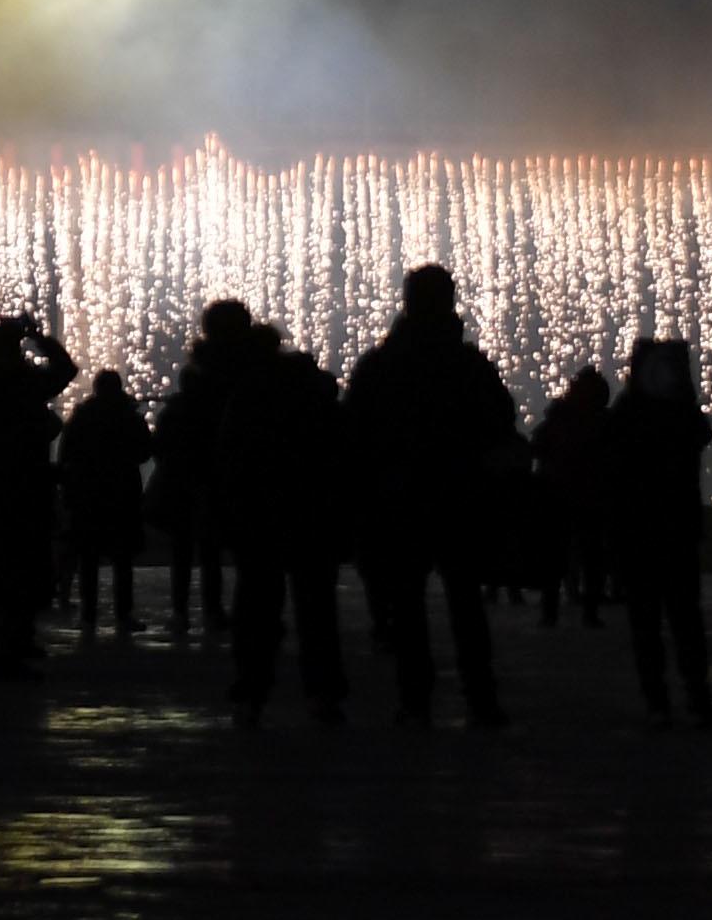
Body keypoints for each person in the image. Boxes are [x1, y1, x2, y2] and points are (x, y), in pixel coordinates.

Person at [343, 266, 521, 726]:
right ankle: (480, 697)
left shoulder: (381, 366)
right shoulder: (467, 365)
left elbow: (354, 432)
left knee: (407, 605)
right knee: (465, 602)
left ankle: (415, 698)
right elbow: (500, 420)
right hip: (460, 495)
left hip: (401, 498)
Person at [220, 326, 350, 724]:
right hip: (312, 512)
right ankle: (322, 693)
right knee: (316, 609)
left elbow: (230, 456)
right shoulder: (312, 394)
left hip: (261, 514)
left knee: (257, 606)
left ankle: (252, 691)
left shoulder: (245, 396)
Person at [0, 315, 78, 681]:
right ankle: (5, 654)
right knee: (17, 575)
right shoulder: (20, 385)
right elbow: (65, 370)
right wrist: (40, 340)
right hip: (20, 491)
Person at [605, 336, 712, 726]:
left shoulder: (628, 413)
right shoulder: (682, 414)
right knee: (683, 617)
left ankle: (660, 701)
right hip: (675, 527)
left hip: (640, 529)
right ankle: (695, 697)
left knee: (648, 621)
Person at [148, 302, 263, 638]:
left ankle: (183, 611)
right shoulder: (253, 378)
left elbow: (167, 441)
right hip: (234, 478)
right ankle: (227, 613)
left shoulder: (192, 391)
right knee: (228, 551)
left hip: (188, 480)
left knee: (185, 550)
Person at [57, 369, 151, 634]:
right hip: (122, 493)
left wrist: (69, 490)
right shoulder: (129, 416)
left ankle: (88, 616)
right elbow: (144, 452)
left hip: (88, 495)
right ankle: (123, 615)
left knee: (88, 558)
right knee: (123, 560)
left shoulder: (81, 417)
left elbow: (67, 454)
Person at [533, 368, 616, 628]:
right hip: (589, 496)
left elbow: (538, 448)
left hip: (562, 494)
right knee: (590, 557)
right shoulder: (603, 422)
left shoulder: (558, 419)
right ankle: (586, 611)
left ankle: (551, 611)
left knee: (557, 556)